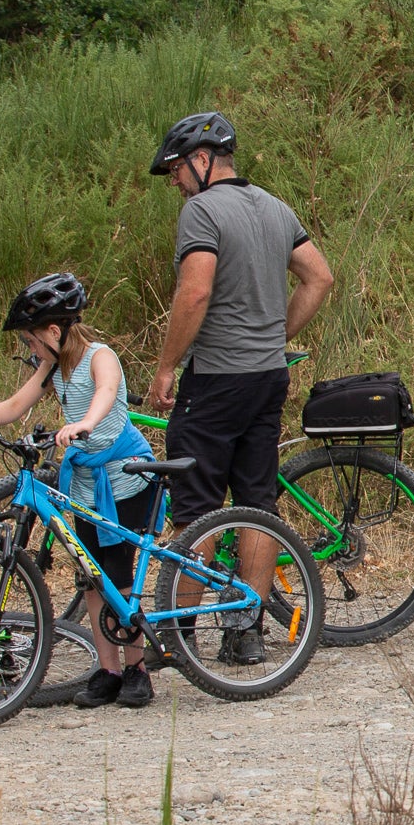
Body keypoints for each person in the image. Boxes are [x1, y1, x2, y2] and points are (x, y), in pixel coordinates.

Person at [144, 112, 333, 663]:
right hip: (268, 376)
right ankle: (246, 632)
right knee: (256, 502)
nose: (175, 182)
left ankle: (177, 635)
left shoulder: (201, 211)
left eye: (177, 170)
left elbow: (195, 292)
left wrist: (165, 367)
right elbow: (319, 277)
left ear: (202, 161)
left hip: (217, 379)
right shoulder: (275, 207)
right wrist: (274, 335)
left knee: (195, 507)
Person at [0, 273, 160, 709]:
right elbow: (16, 404)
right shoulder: (54, 365)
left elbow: (104, 394)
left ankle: (138, 669)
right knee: (89, 573)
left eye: (31, 341)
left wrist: (84, 423)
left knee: (118, 575)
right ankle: (109, 671)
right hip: (84, 481)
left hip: (122, 477)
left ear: (54, 331)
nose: (30, 351)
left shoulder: (101, 357)